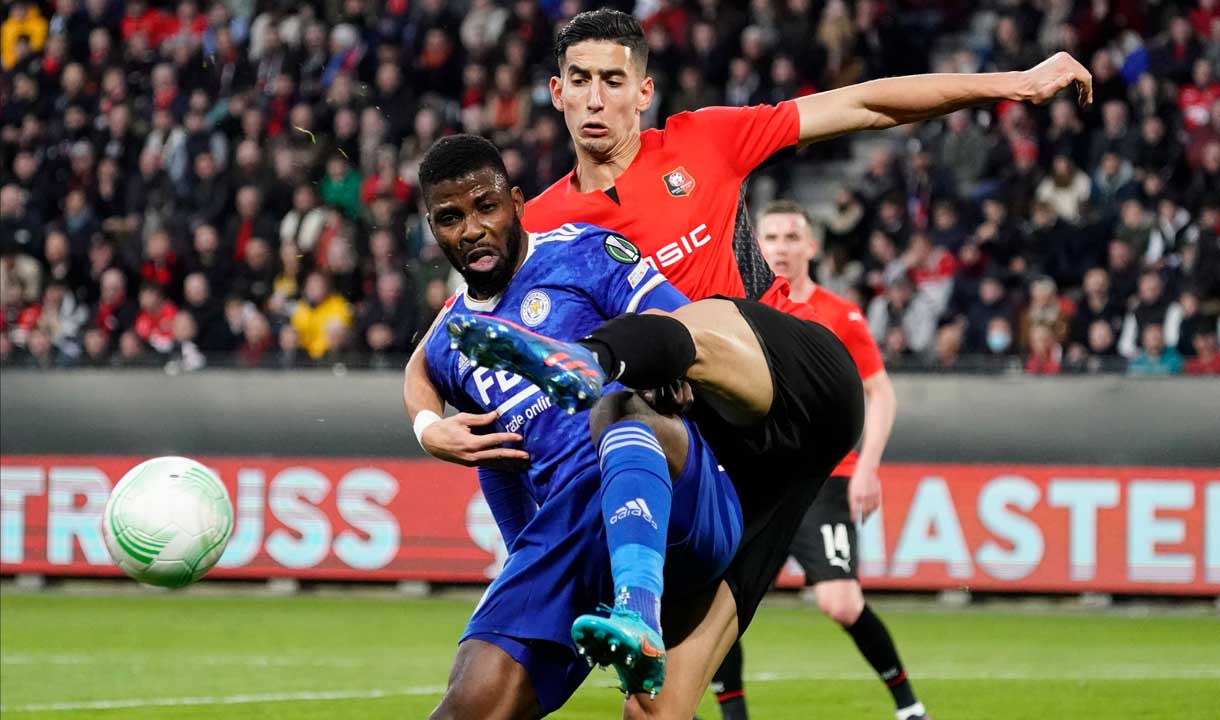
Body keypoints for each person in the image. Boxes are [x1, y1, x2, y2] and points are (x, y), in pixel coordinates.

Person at [406, 6, 1091, 717]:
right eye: (580, 80)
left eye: (614, 79)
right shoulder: (543, 227)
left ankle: (595, 362)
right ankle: (612, 419)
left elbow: (862, 102)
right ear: (556, 92)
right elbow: (438, 349)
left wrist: (1012, 82)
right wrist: (430, 427)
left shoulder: (705, 140)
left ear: (644, 92)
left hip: (789, 381)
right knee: (653, 706)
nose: (596, 97)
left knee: (683, 329)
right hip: (730, 471)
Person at [417, 135, 746, 718]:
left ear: (517, 203)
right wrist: (426, 426)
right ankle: (620, 612)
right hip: (567, 534)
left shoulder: (585, 253)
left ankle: (637, 609)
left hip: (680, 496)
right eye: (451, 218)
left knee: (616, 410)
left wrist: (668, 360)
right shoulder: (453, 337)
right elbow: (424, 374)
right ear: (432, 227)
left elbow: (681, 321)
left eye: (486, 207)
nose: (471, 230)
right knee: (468, 704)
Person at [704, 200, 923, 720]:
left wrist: (867, 465)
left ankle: (909, 707)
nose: (781, 247)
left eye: (791, 237)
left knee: (841, 603)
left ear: (811, 247)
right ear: (759, 245)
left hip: (824, 478)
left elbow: (881, 393)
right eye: (772, 237)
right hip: (756, 477)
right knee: (718, 605)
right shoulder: (739, 306)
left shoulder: (838, 313)